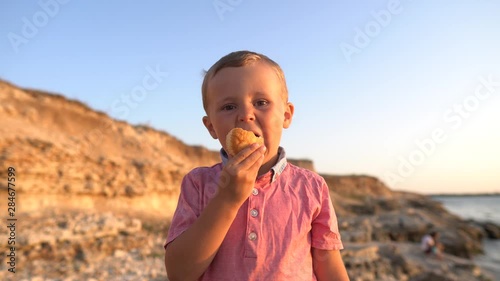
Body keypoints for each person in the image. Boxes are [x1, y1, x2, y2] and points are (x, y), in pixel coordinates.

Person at [164, 50, 350, 281]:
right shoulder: (198, 183)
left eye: (261, 102)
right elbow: (179, 273)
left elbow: (329, 266)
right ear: (211, 126)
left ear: (286, 115)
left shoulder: (312, 187)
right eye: (229, 107)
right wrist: (228, 199)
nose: (246, 115)